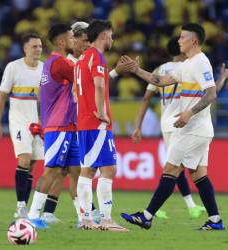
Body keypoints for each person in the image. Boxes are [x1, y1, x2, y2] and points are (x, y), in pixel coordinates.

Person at [121, 23, 228, 230]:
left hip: (193, 128)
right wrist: (137, 70)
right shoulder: (187, 64)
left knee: (171, 169)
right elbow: (160, 80)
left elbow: (212, 93)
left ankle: (146, 216)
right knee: (198, 174)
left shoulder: (200, 63)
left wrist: (189, 113)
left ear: (194, 41)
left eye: (182, 37)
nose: (178, 40)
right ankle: (215, 220)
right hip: (197, 129)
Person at [132, 37, 205, 219]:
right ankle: (165, 208)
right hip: (182, 121)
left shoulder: (160, 69)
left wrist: (137, 126)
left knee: (176, 166)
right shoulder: (188, 67)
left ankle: (163, 208)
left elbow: (146, 98)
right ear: (181, 49)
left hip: (167, 123)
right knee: (175, 167)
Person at [74, 19, 135, 231]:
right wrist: (101, 112)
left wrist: (115, 71)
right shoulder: (97, 56)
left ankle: (86, 220)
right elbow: (99, 85)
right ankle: (105, 220)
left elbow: (80, 90)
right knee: (107, 169)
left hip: (84, 122)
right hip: (96, 122)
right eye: (110, 34)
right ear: (102, 36)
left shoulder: (82, 59)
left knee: (89, 170)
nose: (112, 38)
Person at [27, 23, 78, 229]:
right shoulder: (61, 64)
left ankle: (86, 218)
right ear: (61, 42)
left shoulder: (49, 64)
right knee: (51, 171)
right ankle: (32, 216)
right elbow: (87, 79)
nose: (75, 41)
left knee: (72, 171)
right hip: (59, 126)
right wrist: (114, 72)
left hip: (62, 125)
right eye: (72, 38)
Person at [0, 33, 44, 218]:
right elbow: (2, 97)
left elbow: (44, 99)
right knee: (24, 158)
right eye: (34, 46)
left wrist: (43, 121)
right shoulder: (13, 67)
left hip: (37, 122)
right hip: (19, 120)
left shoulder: (44, 69)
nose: (38, 49)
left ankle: (24, 208)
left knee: (31, 165)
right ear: (25, 49)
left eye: (40, 46)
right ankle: (20, 205)